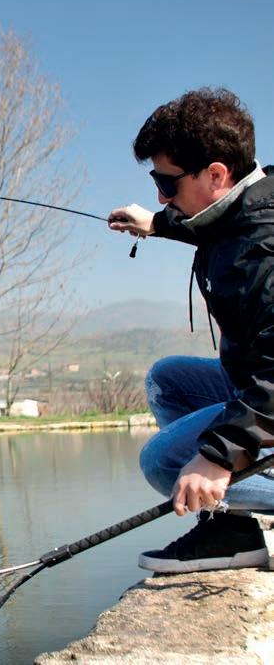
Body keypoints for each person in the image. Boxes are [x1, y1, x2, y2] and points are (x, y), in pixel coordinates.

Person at [108, 87, 274, 573]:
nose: (161, 196)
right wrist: (159, 223)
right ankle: (232, 527)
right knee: (170, 379)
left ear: (216, 174)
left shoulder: (262, 254)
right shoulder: (251, 204)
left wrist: (218, 456)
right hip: (255, 377)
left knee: (162, 461)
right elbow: (222, 225)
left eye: (167, 182)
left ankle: (226, 502)